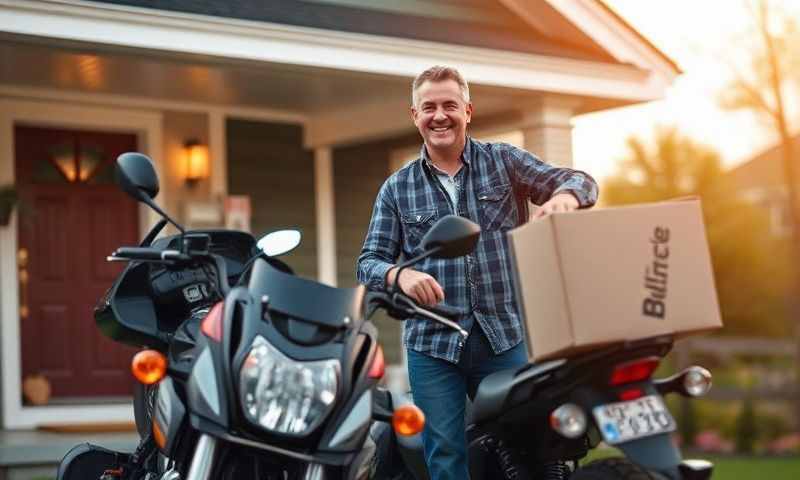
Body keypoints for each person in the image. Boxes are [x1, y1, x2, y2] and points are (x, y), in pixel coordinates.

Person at [357, 65, 598, 479]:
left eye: (449, 105)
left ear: (467, 111)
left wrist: (565, 198)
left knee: (529, 450)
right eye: (428, 107)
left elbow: (578, 180)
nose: (439, 115)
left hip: (503, 336)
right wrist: (401, 276)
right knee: (447, 457)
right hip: (433, 346)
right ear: (415, 116)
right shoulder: (397, 188)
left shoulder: (503, 161)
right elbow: (369, 262)